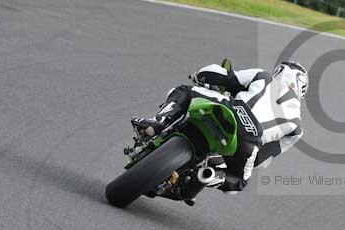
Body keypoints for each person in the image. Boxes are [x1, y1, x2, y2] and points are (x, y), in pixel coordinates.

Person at [131, 60, 307, 197]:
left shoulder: (263, 76)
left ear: (279, 72)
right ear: (302, 89)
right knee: (238, 183)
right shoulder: (296, 126)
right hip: (250, 139)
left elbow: (221, 76)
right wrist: (237, 161)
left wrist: (200, 76)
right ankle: (207, 176)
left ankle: (157, 123)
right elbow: (263, 158)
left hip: (232, 109)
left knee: (184, 90)